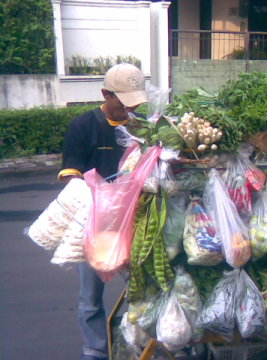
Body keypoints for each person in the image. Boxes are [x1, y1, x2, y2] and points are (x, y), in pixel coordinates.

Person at [58, 63, 147, 360]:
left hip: (135, 225)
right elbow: (72, 179)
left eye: (134, 103)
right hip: (95, 227)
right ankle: (95, 350)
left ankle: (141, 343)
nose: (129, 109)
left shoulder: (141, 127)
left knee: (143, 289)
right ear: (105, 94)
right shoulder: (82, 127)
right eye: (123, 103)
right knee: (91, 296)